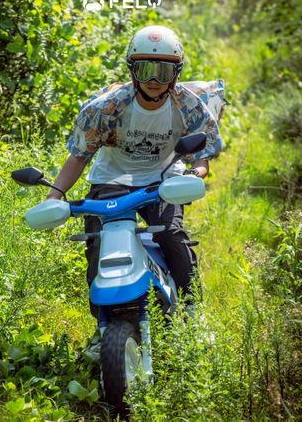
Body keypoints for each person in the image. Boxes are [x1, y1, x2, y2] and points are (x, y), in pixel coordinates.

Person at [46, 25, 226, 317]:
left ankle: (193, 312)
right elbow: (79, 156)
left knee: (171, 234)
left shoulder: (189, 106)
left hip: (163, 181)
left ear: (176, 73)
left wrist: (194, 176)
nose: (154, 80)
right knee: (97, 243)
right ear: (132, 71)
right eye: (145, 70)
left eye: (163, 72)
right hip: (110, 181)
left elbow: (201, 157)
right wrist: (54, 195)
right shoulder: (107, 108)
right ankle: (102, 324)